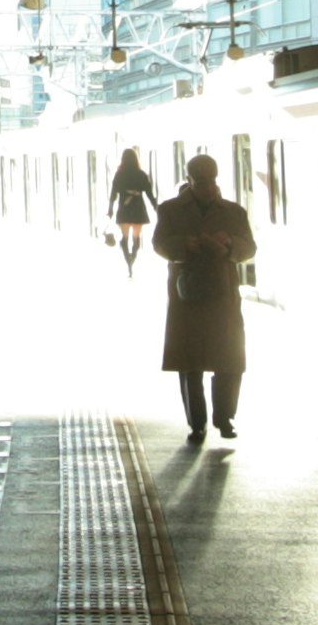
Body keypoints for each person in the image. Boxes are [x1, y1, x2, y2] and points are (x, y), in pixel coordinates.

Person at [153, 153, 255, 443]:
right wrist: (185, 245)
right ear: (189, 180)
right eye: (200, 182)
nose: (207, 187)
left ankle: (225, 417)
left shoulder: (233, 212)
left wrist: (230, 244)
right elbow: (159, 243)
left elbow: (250, 247)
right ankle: (197, 423)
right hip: (187, 291)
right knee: (190, 361)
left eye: (211, 181)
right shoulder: (170, 210)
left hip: (223, 289)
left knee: (230, 358)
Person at [107, 147, 156, 270]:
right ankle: (133, 255)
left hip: (124, 206)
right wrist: (156, 207)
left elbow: (113, 194)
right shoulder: (141, 174)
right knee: (136, 235)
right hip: (138, 207)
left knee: (124, 236)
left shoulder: (119, 175)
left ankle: (127, 259)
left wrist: (110, 209)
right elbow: (150, 194)